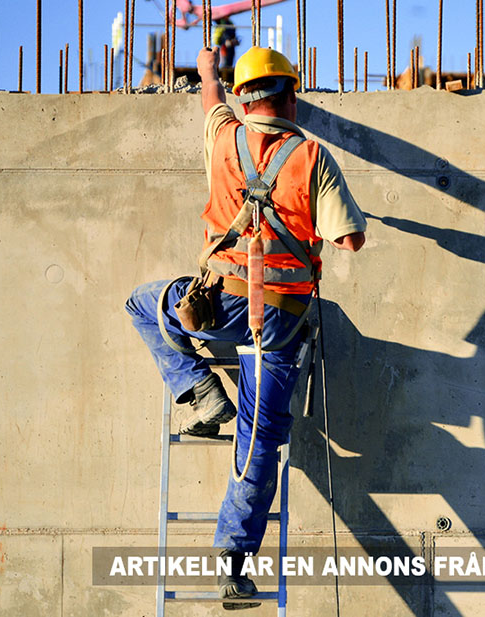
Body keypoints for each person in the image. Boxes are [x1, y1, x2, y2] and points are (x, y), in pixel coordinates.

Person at [124, 45, 366, 604]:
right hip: (278, 321)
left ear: (242, 96)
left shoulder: (222, 135)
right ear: (290, 96)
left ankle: (200, 390)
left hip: (216, 309)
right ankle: (233, 562)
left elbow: (211, 98)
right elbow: (349, 239)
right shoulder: (311, 157)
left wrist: (209, 69)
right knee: (259, 443)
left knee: (144, 305)